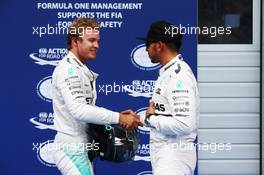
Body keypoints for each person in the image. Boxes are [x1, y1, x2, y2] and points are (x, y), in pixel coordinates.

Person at [52, 18, 141, 175]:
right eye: (91, 40)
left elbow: (86, 111)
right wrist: (119, 118)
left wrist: (119, 117)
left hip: (82, 145)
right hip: (71, 146)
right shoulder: (68, 70)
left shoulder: (79, 68)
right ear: (75, 41)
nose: (97, 46)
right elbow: (78, 110)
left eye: (98, 41)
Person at [137, 21, 199, 175]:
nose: (146, 49)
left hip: (174, 158)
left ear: (159, 45)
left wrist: (149, 119)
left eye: (148, 44)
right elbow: (163, 114)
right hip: (167, 156)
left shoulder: (179, 76)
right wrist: (137, 118)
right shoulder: (168, 72)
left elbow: (184, 124)